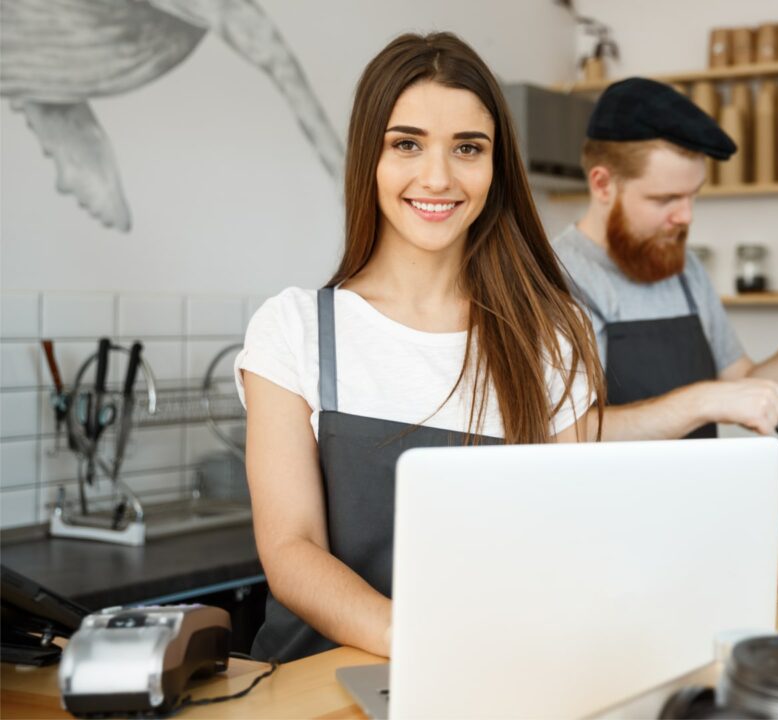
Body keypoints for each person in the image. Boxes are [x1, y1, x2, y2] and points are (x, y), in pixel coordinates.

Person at [234, 33, 605, 662]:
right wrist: (425, 644)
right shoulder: (294, 328)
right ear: (368, 160)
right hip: (317, 688)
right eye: (406, 144)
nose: (438, 177)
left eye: (468, 148)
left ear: (496, 167)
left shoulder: (551, 332)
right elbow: (291, 551)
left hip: (491, 675)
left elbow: (567, 537)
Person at [553, 77, 778, 440]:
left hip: (699, 495)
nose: (686, 216)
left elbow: (744, 385)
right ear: (602, 184)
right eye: (665, 199)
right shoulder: (553, 275)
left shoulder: (682, 268)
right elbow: (574, 433)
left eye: (692, 195)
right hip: (609, 498)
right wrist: (701, 401)